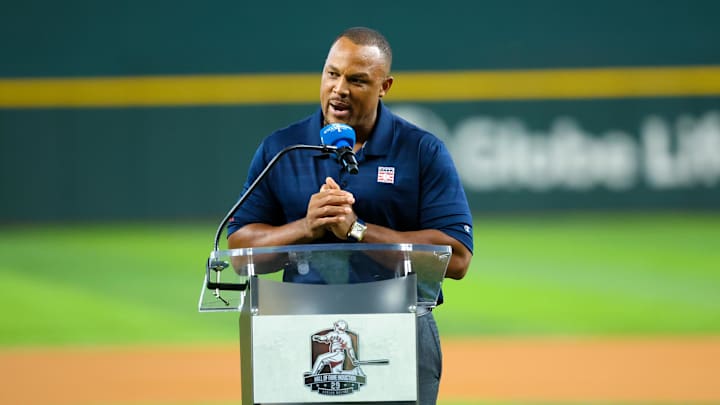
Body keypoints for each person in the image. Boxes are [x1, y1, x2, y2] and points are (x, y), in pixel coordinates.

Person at [227, 26, 473, 404]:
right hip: (296, 330)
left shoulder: (421, 150)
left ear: (384, 86)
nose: (340, 89)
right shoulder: (282, 148)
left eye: (357, 80)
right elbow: (240, 251)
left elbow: (456, 258)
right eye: (332, 74)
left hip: (399, 330)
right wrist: (306, 228)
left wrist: (358, 230)